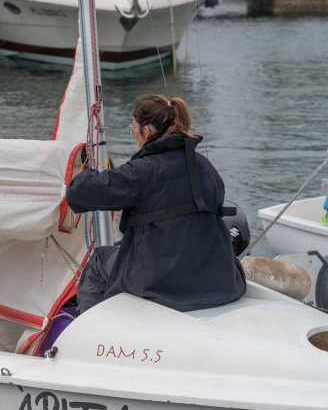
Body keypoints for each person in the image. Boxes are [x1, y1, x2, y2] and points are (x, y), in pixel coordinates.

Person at [66, 94, 246, 314]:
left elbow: (78, 194)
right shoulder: (206, 168)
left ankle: (89, 335)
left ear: (147, 131)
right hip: (218, 280)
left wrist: (86, 172)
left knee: (100, 261)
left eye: (133, 129)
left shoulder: (141, 172)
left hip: (160, 284)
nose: (134, 136)